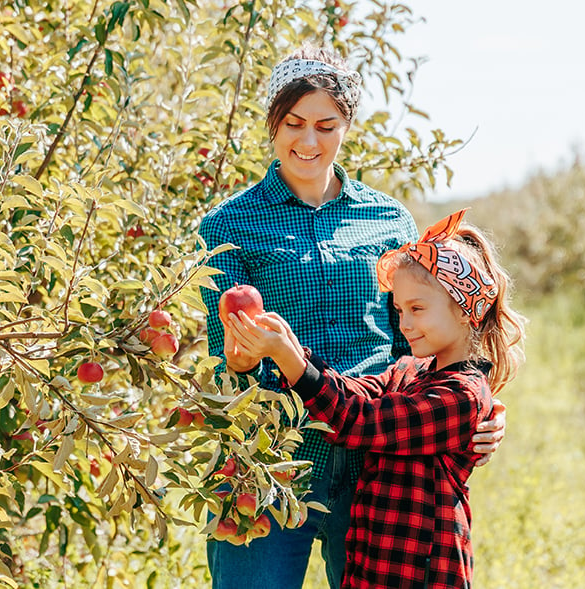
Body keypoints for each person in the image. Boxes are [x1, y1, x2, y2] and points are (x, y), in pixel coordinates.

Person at [197, 45, 507, 589]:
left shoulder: (387, 220)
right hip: (269, 461)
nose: (309, 141)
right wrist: (242, 358)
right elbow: (224, 358)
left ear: (347, 126)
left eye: (326, 124)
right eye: (293, 123)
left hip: (378, 467)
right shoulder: (229, 224)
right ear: (272, 123)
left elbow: (423, 338)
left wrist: (480, 408)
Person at [224, 208, 527, 589]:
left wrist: (291, 360)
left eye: (417, 309)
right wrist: (295, 354)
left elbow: (361, 420)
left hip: (421, 572)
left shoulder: (460, 397)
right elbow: (356, 392)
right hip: (375, 565)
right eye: (399, 310)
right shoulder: (411, 370)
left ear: (466, 310)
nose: (404, 324)